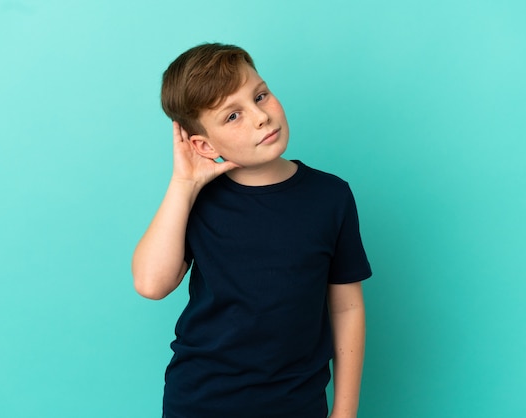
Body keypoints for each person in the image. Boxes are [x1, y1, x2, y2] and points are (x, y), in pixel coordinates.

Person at [132, 43, 372, 418]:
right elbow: (151, 283)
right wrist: (183, 184)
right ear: (202, 144)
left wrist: (345, 411)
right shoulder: (196, 200)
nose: (261, 116)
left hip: (297, 404)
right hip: (200, 402)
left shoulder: (331, 196)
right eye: (233, 116)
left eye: (260, 95)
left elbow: (347, 307)